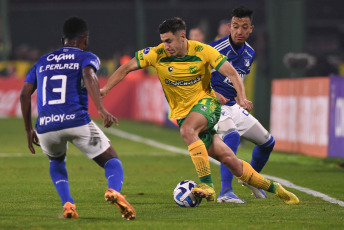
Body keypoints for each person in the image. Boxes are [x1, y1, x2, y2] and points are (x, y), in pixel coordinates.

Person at [101, 17, 299, 205]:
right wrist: (105, 89)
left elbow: (230, 72)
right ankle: (277, 189)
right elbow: (126, 68)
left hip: (208, 105)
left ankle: (207, 185)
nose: (166, 45)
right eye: (163, 41)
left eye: (169, 40)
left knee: (187, 130)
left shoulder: (203, 51)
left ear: (182, 37)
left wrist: (242, 97)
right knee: (231, 161)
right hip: (184, 114)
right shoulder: (157, 54)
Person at [20, 17, 135, 220]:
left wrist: (29, 129)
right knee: (112, 161)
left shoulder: (42, 61)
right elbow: (89, 75)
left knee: (56, 162)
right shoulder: (86, 57)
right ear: (85, 39)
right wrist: (101, 109)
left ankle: (68, 205)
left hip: (46, 127)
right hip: (76, 121)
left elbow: (24, 94)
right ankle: (114, 190)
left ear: (63, 39)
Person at [210, 6, 275, 203]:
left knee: (267, 143)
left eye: (244, 27)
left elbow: (238, 80)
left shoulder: (250, 53)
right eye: (236, 26)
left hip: (233, 107)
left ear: (250, 29)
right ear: (229, 27)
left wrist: (241, 99)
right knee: (231, 137)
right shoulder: (215, 50)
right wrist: (213, 94)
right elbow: (196, 77)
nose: (239, 31)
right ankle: (225, 192)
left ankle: (250, 178)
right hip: (213, 106)